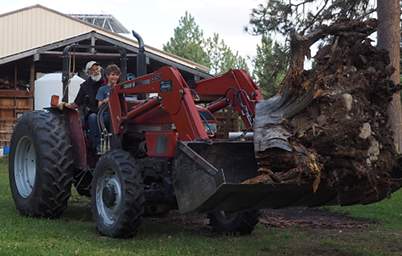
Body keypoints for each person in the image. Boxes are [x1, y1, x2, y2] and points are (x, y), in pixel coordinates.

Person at [72, 61, 104, 151]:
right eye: (92, 70)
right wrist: (66, 105)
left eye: (97, 69)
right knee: (93, 118)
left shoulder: (106, 82)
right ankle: (98, 145)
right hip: (94, 112)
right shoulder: (85, 86)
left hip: (108, 111)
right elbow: (77, 103)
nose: (96, 71)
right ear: (88, 72)